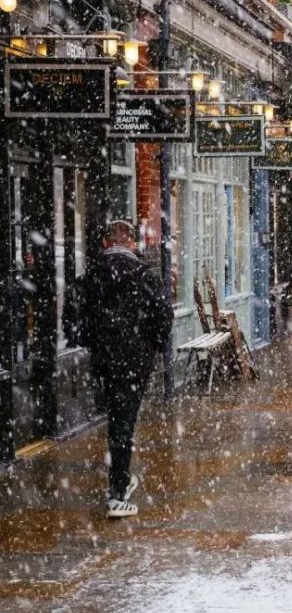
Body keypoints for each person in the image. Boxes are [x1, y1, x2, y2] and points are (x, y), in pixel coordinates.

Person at [74, 220, 173, 518]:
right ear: (131, 242)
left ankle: (121, 481)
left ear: (106, 242)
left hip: (106, 361)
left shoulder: (90, 277)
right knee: (123, 421)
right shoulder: (144, 276)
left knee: (118, 419)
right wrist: (150, 348)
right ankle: (117, 494)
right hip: (134, 362)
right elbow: (163, 317)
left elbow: (75, 322)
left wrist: (97, 342)